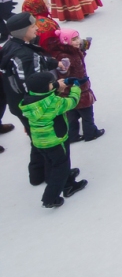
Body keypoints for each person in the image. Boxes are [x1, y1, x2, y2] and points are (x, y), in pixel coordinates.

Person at [19, 70, 89, 208]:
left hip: (40, 142)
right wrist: (75, 87)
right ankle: (53, 196)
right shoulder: (53, 103)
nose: (54, 84)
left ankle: (67, 178)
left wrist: (58, 86)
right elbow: (71, 102)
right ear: (45, 88)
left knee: (53, 162)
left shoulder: (29, 99)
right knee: (60, 166)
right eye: (51, 83)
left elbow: (46, 97)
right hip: (55, 140)